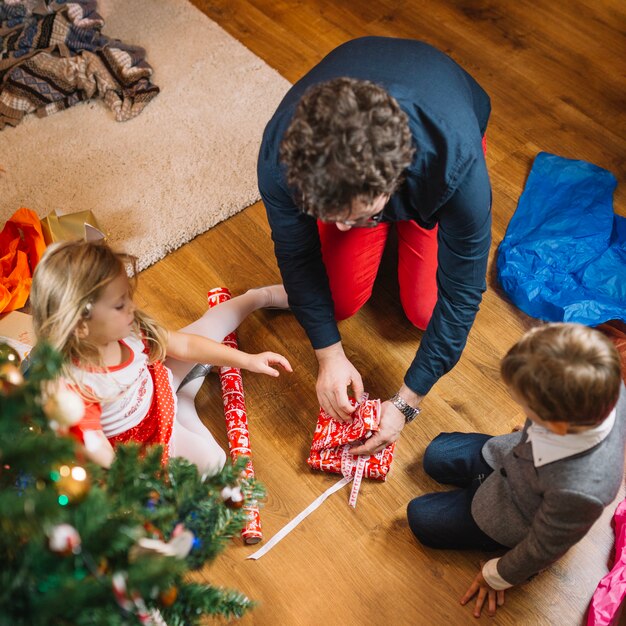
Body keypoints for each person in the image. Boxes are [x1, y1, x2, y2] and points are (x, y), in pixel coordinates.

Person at [258, 37, 491, 453]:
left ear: (392, 180)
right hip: (372, 172)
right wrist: (328, 356)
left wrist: (406, 402)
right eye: (332, 217)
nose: (344, 228)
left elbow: (462, 295)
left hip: (439, 143)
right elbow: (296, 254)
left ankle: (402, 225)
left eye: (360, 216)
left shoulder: (457, 166)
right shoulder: (280, 155)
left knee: (425, 310)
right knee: (339, 301)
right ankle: (376, 228)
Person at [406, 323, 626, 618]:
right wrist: (532, 432)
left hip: (518, 514)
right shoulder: (602, 386)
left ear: (557, 423)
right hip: (509, 457)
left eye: (527, 407)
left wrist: (499, 574)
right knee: (435, 453)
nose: (523, 411)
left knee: (420, 518)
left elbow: (545, 546)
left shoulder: (583, 490)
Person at [30, 240, 292, 476]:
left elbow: (186, 344)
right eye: (120, 305)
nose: (132, 307)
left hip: (158, 384)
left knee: (208, 328)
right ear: (80, 326)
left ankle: (259, 297)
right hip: (145, 445)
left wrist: (247, 359)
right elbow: (94, 446)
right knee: (213, 461)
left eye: (128, 297)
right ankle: (185, 402)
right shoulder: (75, 386)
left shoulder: (130, 327)